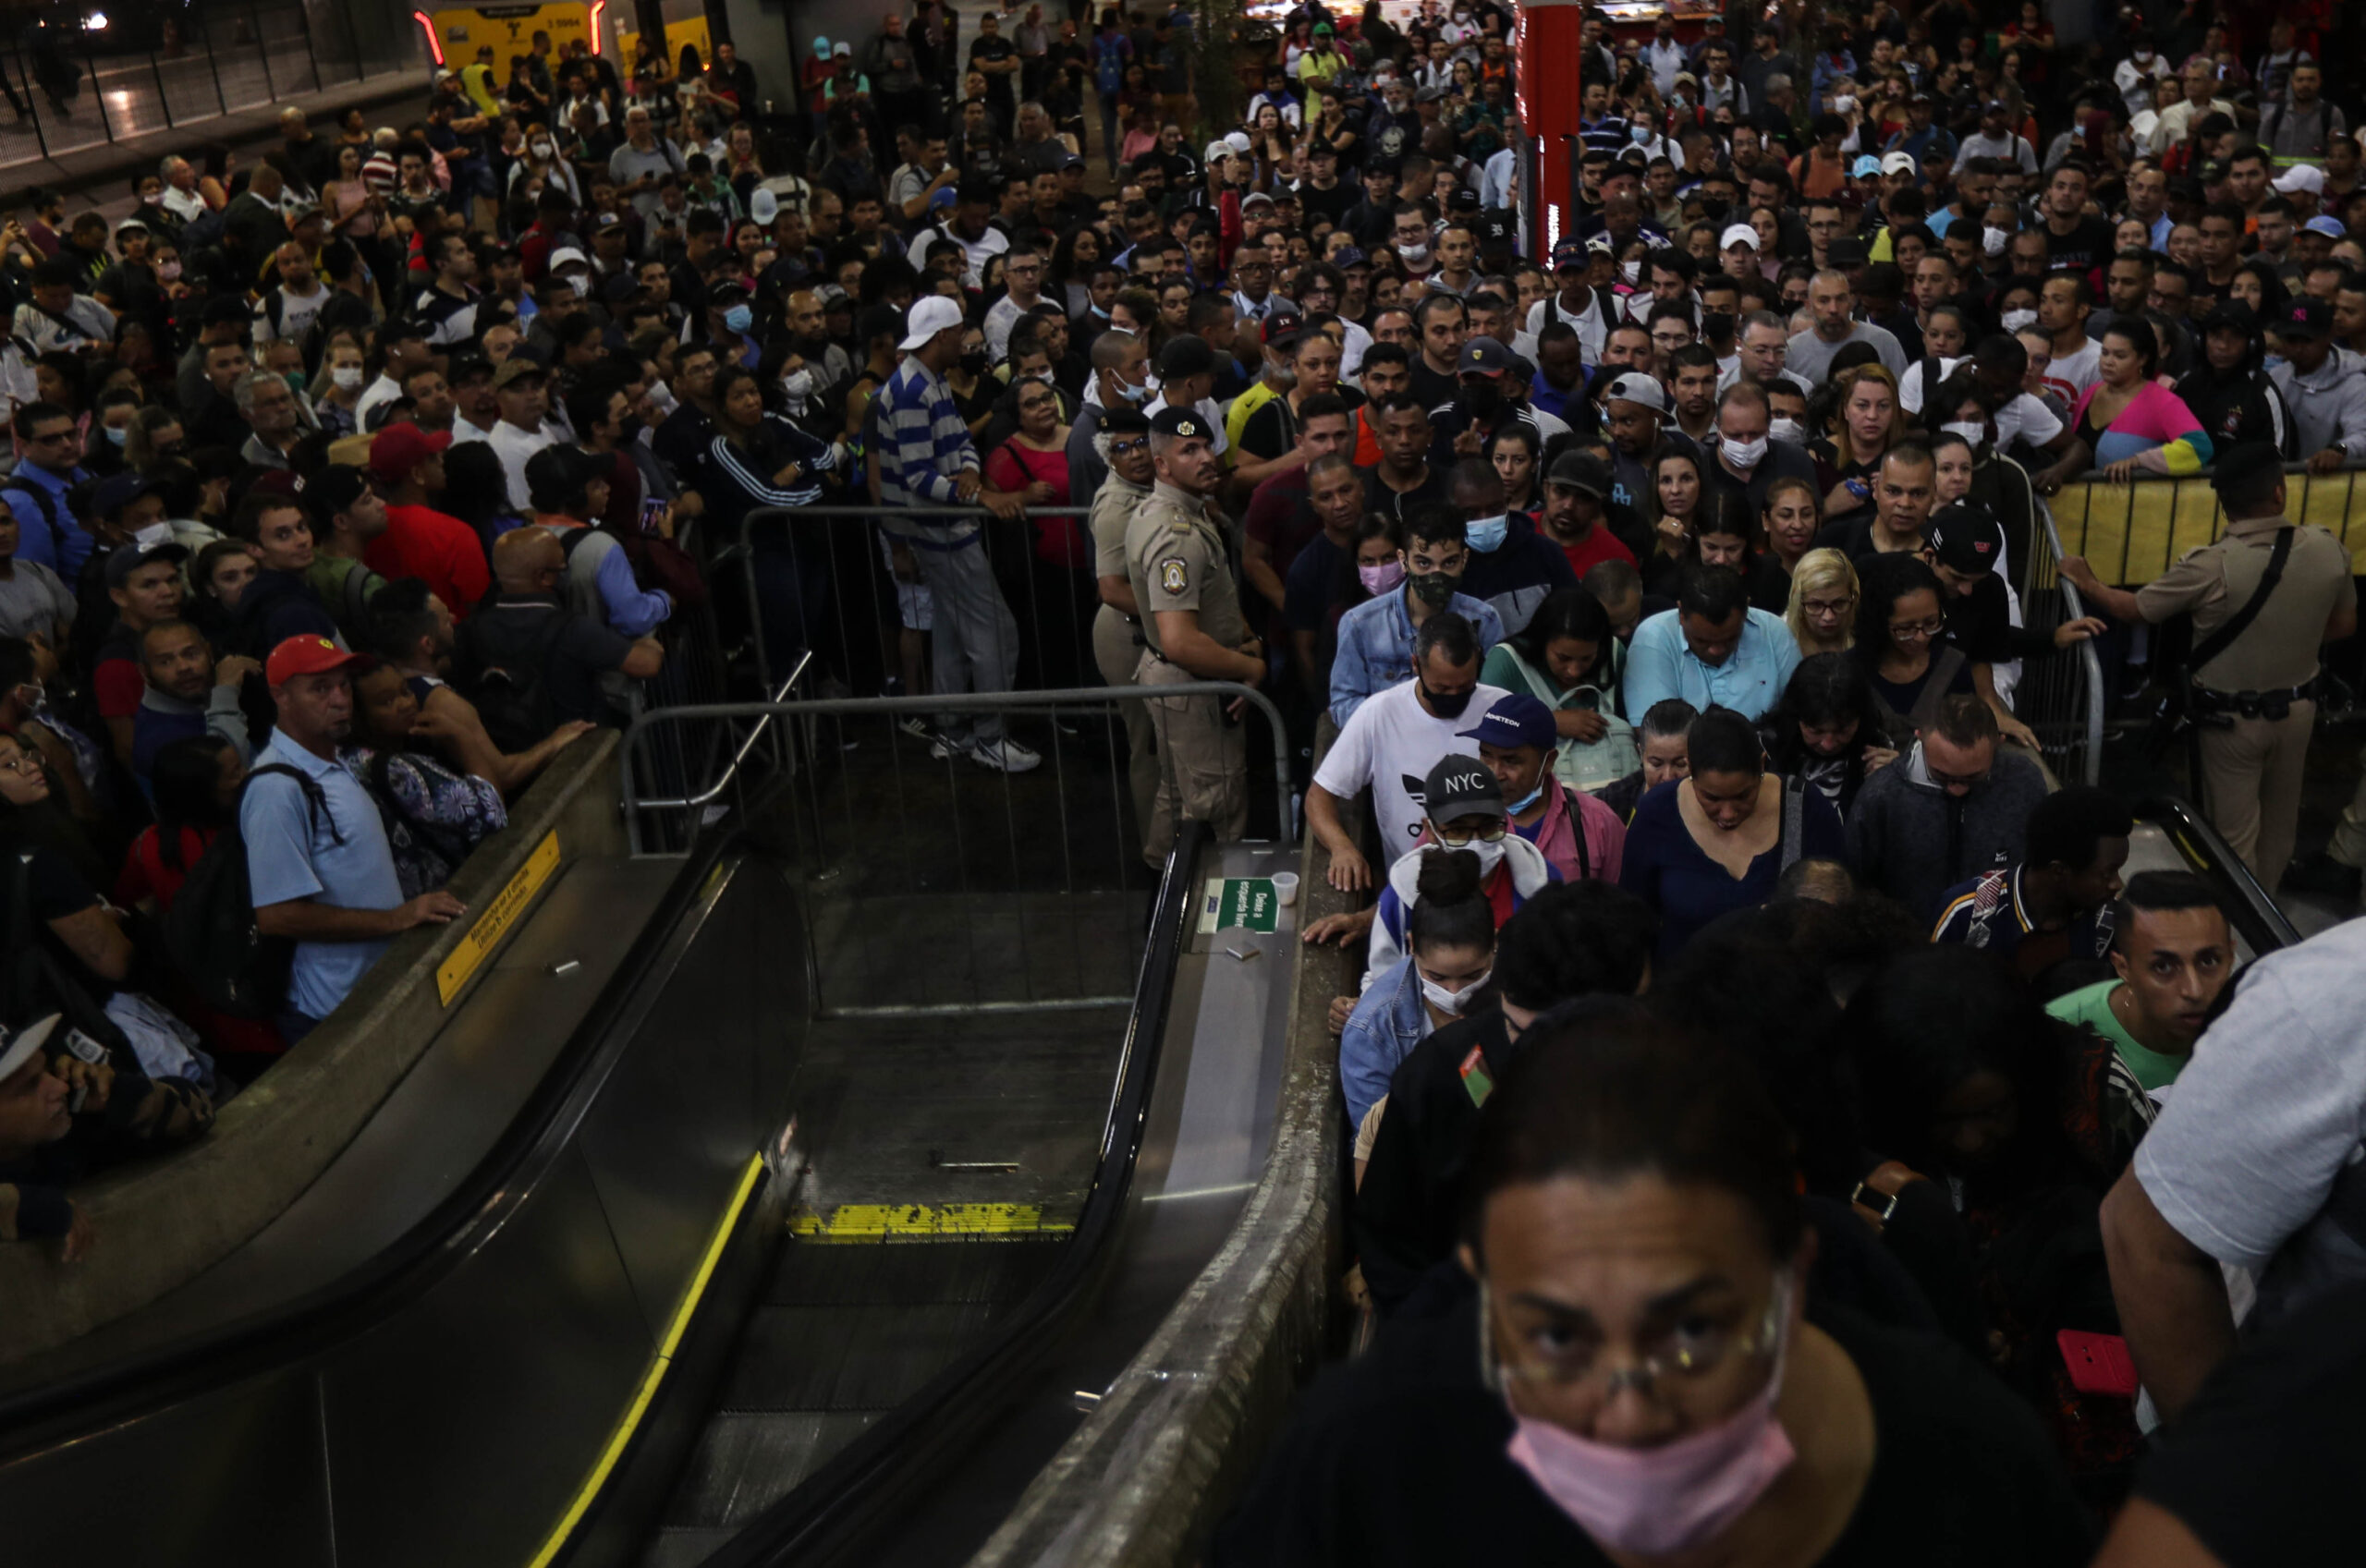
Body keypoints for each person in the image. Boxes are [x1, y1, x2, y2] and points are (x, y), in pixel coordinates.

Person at [1219, 1003, 2095, 1566]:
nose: (1629, 1413)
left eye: (1693, 1333)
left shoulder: (1969, 1472)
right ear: (1485, 1288)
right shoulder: (1372, 1468)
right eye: (1558, 1338)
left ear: (1792, 1274)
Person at [1348, 881, 1656, 1314]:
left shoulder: (1667, 1090)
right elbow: (1390, 1239)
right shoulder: (1441, 1073)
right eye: (1514, 1028)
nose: (1525, 1050)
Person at [2060, 441, 2356, 892]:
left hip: (2231, 721)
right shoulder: (2327, 547)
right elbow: (2342, 625)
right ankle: (2271, 913)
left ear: (2224, 506)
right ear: (2279, 493)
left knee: (2234, 837)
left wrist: (2085, 579)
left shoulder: (2210, 566)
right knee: (2280, 827)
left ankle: (2240, 930)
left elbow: (2134, 608)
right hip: (2299, 711)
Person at [242, 637, 468, 1042]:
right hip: (335, 1012)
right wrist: (396, 919)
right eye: (320, 689)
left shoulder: (332, 761)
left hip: (376, 988)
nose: (340, 699)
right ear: (282, 698)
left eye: (343, 685)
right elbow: (277, 915)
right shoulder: (276, 788)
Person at [878, 294, 1039, 774]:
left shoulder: (930, 382)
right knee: (996, 631)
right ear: (943, 336)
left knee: (951, 633)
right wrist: (981, 496)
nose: (967, 342)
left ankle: (951, 732)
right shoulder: (910, 390)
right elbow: (918, 477)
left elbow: (959, 445)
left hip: (943, 523)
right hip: (940, 529)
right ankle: (990, 737)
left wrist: (969, 475)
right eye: (961, 333)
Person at [1125, 405, 1261, 863]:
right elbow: (1181, 639)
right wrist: (1250, 667)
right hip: (1193, 683)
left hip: (1177, 678)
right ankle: (1217, 927)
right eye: (1188, 450)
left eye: (1206, 446)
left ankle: (1161, 896)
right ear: (1161, 464)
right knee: (1218, 807)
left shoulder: (1176, 511)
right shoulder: (1175, 532)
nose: (1205, 457)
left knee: (1179, 794)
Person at [1619, 705, 1844, 959]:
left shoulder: (1806, 808)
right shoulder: (1656, 813)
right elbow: (1633, 922)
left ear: (1762, 765)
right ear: (1691, 770)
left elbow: (1840, 913)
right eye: (1711, 798)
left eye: (1743, 796)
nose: (1727, 813)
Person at [1310, 613, 1508, 883]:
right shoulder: (1379, 713)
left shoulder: (1502, 710)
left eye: (1464, 687)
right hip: (1412, 883)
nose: (1453, 696)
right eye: (1441, 688)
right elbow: (1320, 796)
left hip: (1492, 875)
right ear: (1416, 665)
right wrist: (1342, 848)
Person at [1342, 816, 1506, 1128]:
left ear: (1495, 944)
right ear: (1412, 946)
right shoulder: (1374, 1028)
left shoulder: (1521, 1001)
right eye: (1438, 977)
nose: (1455, 993)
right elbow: (1372, 1144)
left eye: (1473, 976)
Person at [1845, 694, 2049, 918]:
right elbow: (1856, 883)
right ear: (1919, 737)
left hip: (1996, 940)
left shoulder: (2023, 782)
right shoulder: (1881, 797)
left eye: (1972, 777)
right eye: (1942, 775)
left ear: (1998, 743)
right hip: (1910, 943)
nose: (1956, 789)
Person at [2045, 870, 2233, 1106]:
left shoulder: (2258, 1029)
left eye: (2209, 961)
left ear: (2231, 955)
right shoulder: (2057, 1036)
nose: (2194, 991)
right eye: (2163, 967)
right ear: (2123, 968)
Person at [1933, 786, 2132, 981]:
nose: (2117, 884)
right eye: (2107, 874)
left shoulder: (2108, 922)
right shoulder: (1968, 913)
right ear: (2058, 871)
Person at [1328, 505, 1504, 727]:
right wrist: (1402, 726)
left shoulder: (1485, 621)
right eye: (1424, 563)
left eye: (1448, 562)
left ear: (1464, 559)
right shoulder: (1360, 625)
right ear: (1403, 560)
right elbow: (1343, 705)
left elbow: (1497, 703)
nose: (1435, 574)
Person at [1456, 693, 1625, 884]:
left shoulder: (1598, 823)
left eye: (1510, 761)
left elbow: (1620, 908)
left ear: (1548, 761)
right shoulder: (1454, 819)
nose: (1496, 773)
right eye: (1486, 756)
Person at [1480, 587, 1635, 792]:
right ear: (1542, 641)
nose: (1574, 671)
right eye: (1563, 658)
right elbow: (1486, 732)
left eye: (1587, 659)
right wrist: (1550, 722)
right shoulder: (1506, 661)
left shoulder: (1614, 654)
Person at [1623, 563, 1799, 723]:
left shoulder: (1773, 632)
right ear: (1681, 615)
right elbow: (1652, 730)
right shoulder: (1653, 637)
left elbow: (1798, 716)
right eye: (1701, 640)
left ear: (1746, 612)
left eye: (1730, 638)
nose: (1716, 650)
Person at [2066, 322, 2214, 480]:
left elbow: (2200, 447)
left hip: (2137, 502)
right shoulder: (2091, 392)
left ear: (2142, 359)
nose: (2108, 361)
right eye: (2105, 352)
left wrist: (2138, 461)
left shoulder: (2161, 402)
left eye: (2120, 356)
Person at [1762, 652, 1896, 820]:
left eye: (1842, 731)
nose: (1828, 744)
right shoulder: (1763, 750)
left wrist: (1899, 779)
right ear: (1796, 718)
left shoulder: (1880, 749)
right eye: (1816, 731)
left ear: (1860, 719)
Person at [1596, 697, 1695, 823]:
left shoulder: (1717, 802)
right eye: (1656, 764)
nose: (1668, 777)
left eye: (1680, 764)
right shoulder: (1612, 804)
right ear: (1640, 753)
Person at [1786, 548, 1859, 659]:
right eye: (1816, 605)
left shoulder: (1867, 641)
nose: (1828, 617)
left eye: (1839, 604)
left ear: (1853, 598)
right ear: (1798, 602)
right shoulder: (1778, 640)